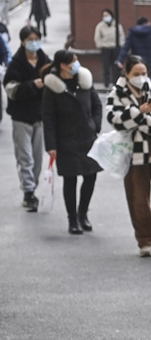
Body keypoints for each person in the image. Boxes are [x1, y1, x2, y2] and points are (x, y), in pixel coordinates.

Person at [106, 55, 151, 257]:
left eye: (144, 73)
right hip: (133, 157)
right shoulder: (116, 93)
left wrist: (137, 118)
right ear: (126, 74)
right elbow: (114, 119)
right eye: (136, 74)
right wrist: (140, 112)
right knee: (138, 201)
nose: (141, 77)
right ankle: (144, 241)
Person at [42, 49, 102, 235]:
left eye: (77, 59)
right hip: (65, 140)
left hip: (87, 137)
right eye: (73, 61)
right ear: (63, 65)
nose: (76, 64)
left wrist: (95, 125)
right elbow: (48, 118)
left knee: (91, 176)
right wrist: (51, 145)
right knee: (70, 179)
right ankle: (72, 219)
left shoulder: (84, 81)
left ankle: (83, 213)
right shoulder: (52, 87)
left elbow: (97, 105)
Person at [4, 26, 50, 212]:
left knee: (38, 157)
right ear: (23, 41)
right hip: (21, 117)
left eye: (36, 38)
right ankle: (28, 192)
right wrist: (34, 85)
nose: (34, 42)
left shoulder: (45, 61)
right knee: (25, 157)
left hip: (40, 116)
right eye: (30, 39)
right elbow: (11, 89)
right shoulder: (16, 64)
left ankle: (33, 186)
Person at [94, 9, 123, 88]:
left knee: (115, 66)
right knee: (106, 66)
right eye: (104, 15)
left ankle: (116, 82)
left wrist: (120, 45)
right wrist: (100, 45)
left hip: (115, 47)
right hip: (105, 48)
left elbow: (121, 36)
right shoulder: (100, 26)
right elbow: (97, 37)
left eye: (107, 15)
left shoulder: (117, 25)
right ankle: (106, 82)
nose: (105, 17)